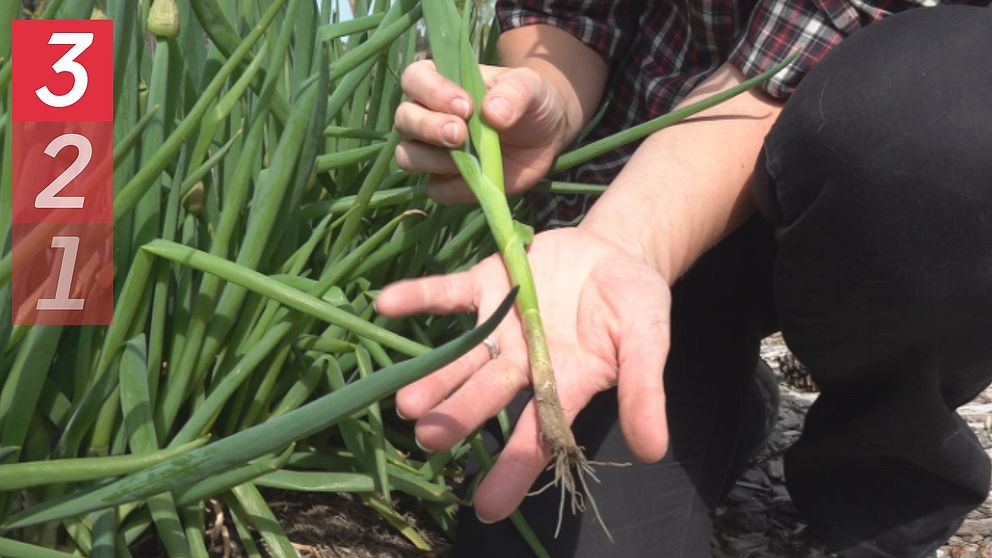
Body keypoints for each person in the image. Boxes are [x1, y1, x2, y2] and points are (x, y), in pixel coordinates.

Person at [374, 1, 992, 556]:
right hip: (658, 200)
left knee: (948, 120)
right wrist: (546, 100)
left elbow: (793, 59)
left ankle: (878, 487)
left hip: (880, 174)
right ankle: (728, 395)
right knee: (546, 536)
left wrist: (622, 239)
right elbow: (568, 13)